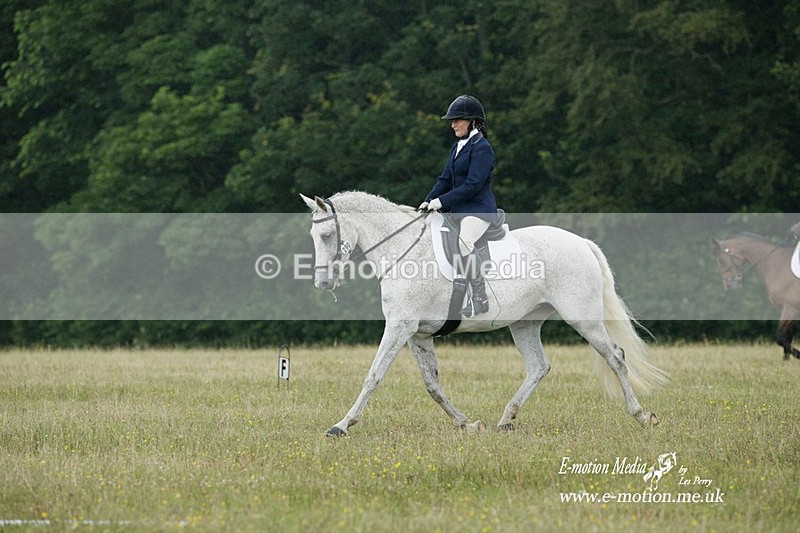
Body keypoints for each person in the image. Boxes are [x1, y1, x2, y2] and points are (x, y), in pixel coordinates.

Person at [419, 95, 500, 318]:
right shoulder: (458, 146)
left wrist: (441, 202)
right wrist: (428, 200)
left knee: (465, 243)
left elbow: (473, 185)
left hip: (478, 210)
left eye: (457, 120)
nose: (453, 125)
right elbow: (444, 179)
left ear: (473, 121)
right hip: (459, 210)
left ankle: (480, 298)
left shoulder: (482, 148)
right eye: (452, 121)